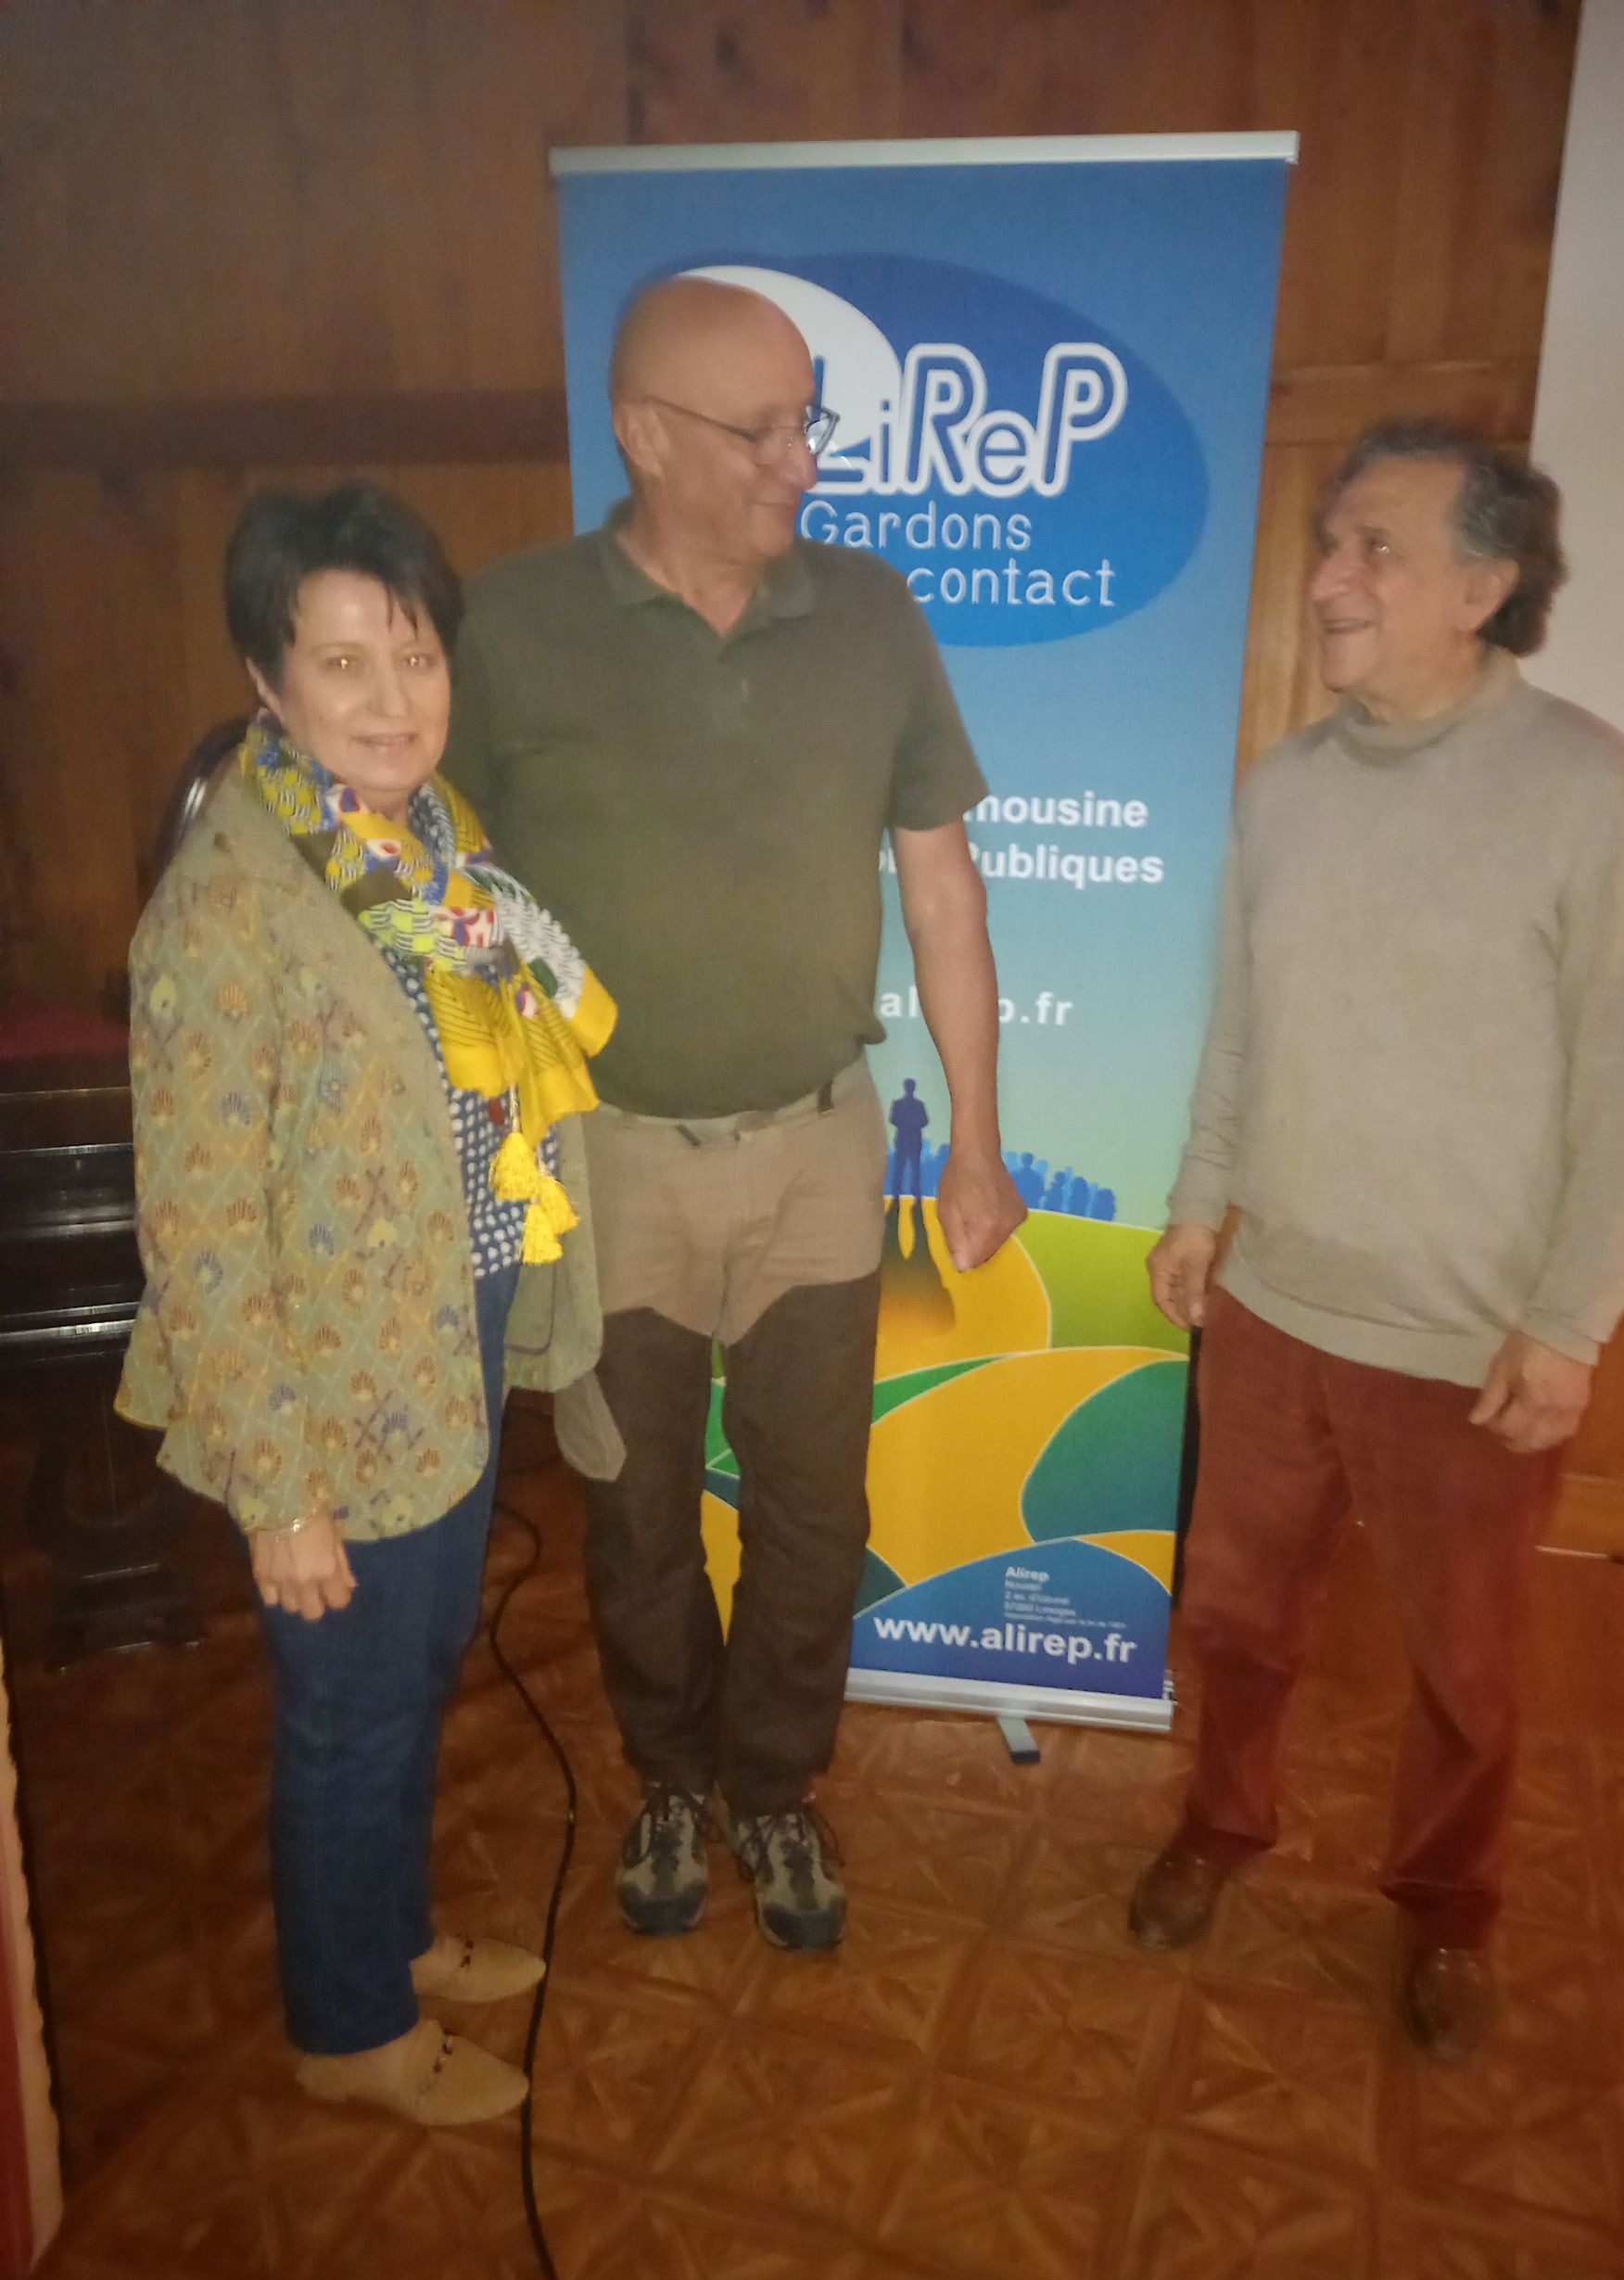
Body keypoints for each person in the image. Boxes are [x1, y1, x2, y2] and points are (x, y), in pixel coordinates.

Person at [445, 274, 1025, 1952]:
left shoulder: (871, 614)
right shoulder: (510, 627)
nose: (803, 461)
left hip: (819, 1149)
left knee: (812, 1513)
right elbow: (437, 896)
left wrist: (977, 1138)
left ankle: (773, 1789)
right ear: (643, 433)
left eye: (806, 422)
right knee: (632, 1513)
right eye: (762, 429)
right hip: (607, 1161)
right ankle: (669, 1779)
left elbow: (944, 892)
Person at [1133, 419, 1624, 2058]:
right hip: (1274, 1310)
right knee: (1236, 1622)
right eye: (1331, 542)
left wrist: (1570, 1322)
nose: (1330, 576)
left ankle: (1449, 1912)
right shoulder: (1284, 793)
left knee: (1464, 1670)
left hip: (1468, 1342)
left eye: (1377, 546)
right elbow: (1240, 1028)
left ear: (1485, 586)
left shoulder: (1597, 793)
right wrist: (1197, 1206)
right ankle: (1220, 1826)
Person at [119, 483, 620, 2122]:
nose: (392, 698)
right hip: (325, 1390)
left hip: (446, 1333)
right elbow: (199, 1230)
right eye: (342, 663)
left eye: (415, 654)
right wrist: (277, 1493)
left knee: (414, 1672)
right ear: (267, 683)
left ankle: (390, 1937)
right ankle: (348, 2034)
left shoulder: (432, 836)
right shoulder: (229, 903)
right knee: (345, 1711)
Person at [887, 1077, 929, 1204]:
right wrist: (913, 1125)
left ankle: (897, 1195)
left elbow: (893, 1119)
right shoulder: (918, 1105)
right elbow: (924, 1121)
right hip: (913, 1140)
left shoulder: (898, 1104)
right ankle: (914, 1195)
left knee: (902, 1169)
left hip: (904, 1140)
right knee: (912, 1169)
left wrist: (905, 1124)